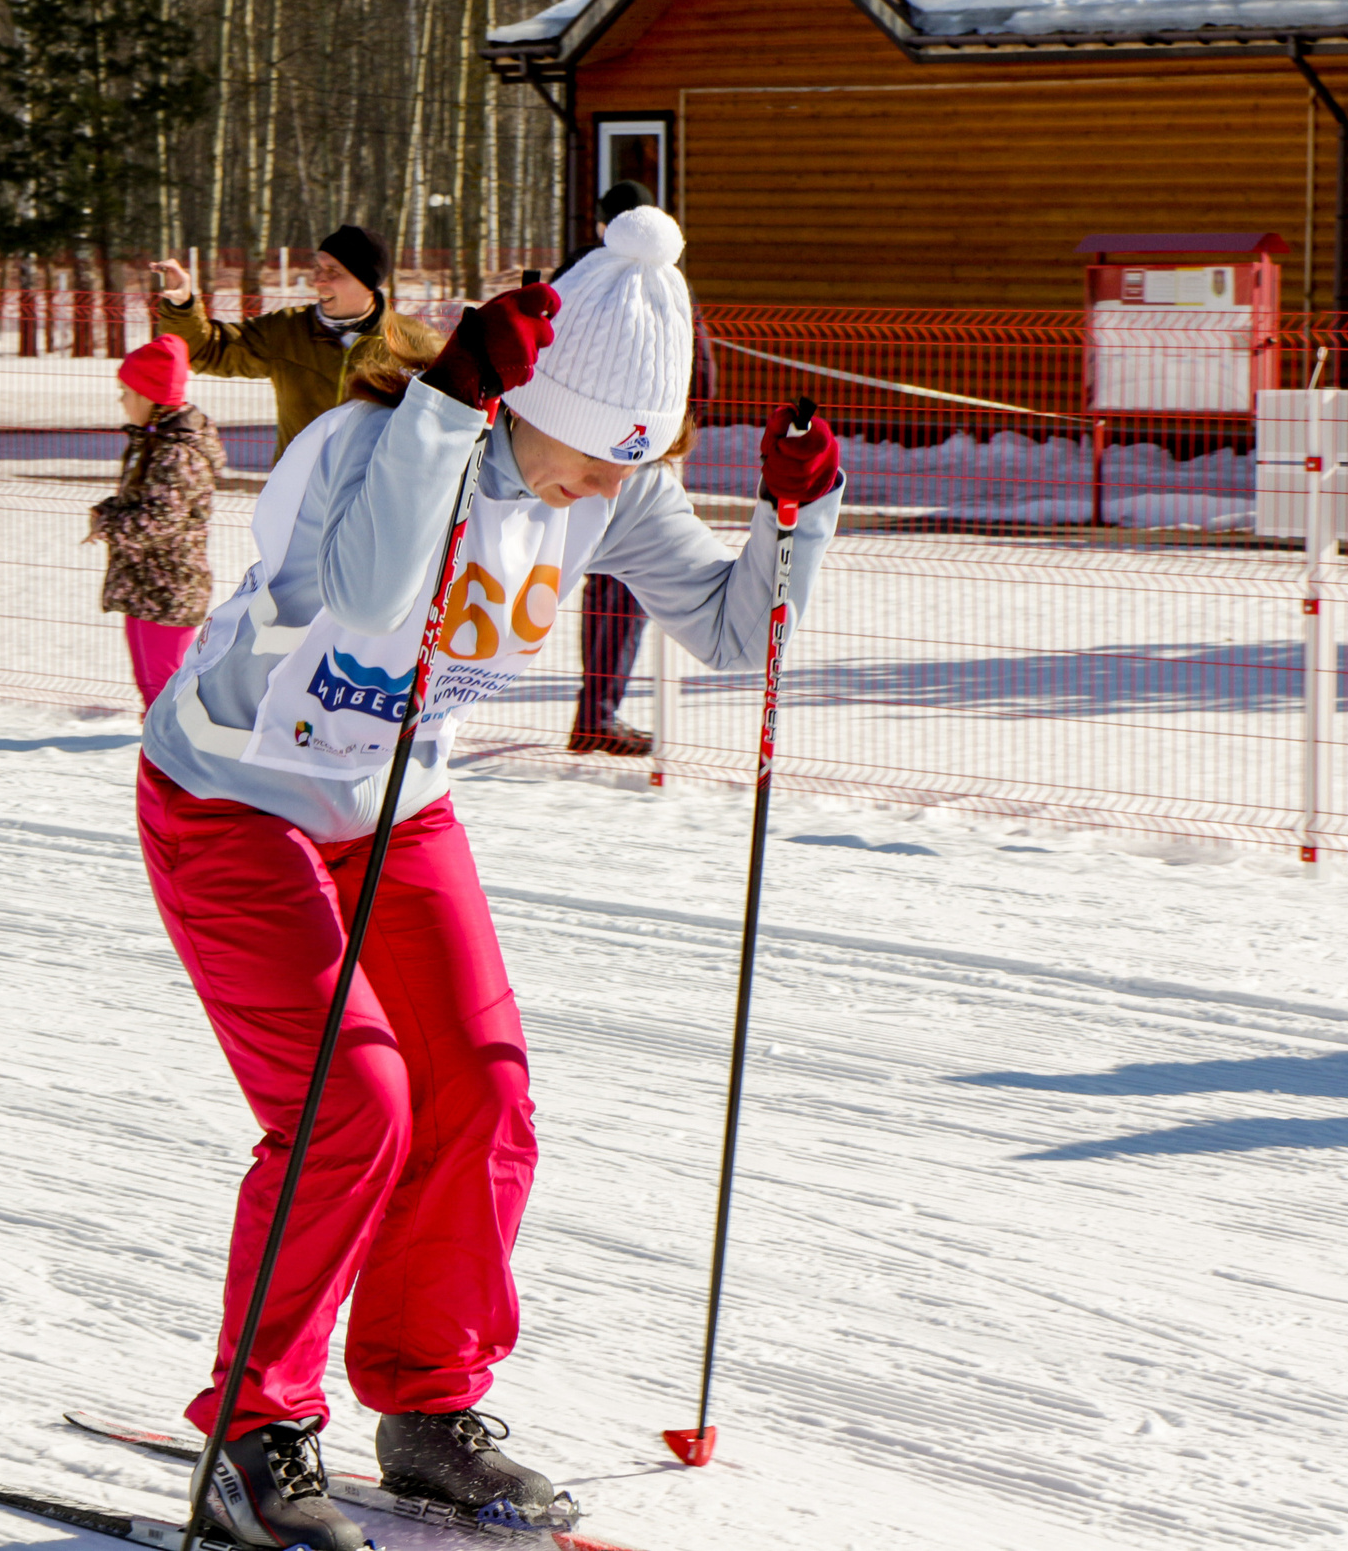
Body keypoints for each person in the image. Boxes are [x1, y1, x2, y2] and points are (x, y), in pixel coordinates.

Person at [136, 205, 843, 1550]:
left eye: (639, 459)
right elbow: (368, 587)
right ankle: (256, 1425)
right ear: (526, 397)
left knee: (482, 1088)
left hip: (394, 808)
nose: (607, 489)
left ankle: (424, 1403)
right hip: (233, 797)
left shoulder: (613, 484)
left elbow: (744, 635)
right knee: (357, 1100)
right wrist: (449, 410)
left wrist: (794, 517)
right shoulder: (365, 442)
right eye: (595, 452)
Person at [554, 181, 720, 756]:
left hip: (550, 452)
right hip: (634, 457)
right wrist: (679, 432)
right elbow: (699, 367)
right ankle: (598, 712)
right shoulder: (662, 283)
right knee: (620, 584)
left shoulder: (571, 276)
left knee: (521, 575)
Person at [149, 225, 396, 456]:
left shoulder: (413, 345)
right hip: (299, 494)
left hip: (373, 497)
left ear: (367, 282)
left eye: (333, 271)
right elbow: (207, 350)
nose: (319, 280)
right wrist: (182, 306)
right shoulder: (287, 331)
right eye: (318, 268)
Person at [87, 334, 226, 710]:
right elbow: (142, 500)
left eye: (126, 392)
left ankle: (172, 753)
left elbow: (161, 519)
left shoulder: (177, 453)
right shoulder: (151, 441)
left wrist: (112, 524)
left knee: (167, 687)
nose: (121, 400)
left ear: (150, 395)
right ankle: (156, 743)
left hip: (170, 590)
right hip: (144, 585)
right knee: (150, 685)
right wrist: (109, 509)